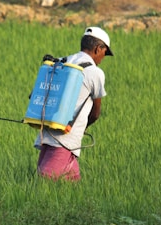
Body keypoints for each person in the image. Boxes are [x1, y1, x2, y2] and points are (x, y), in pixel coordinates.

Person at [34, 26, 113, 181]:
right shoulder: (95, 72)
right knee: (46, 179)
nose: (103, 58)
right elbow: (96, 113)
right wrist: (83, 128)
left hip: (48, 130)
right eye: (104, 53)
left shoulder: (63, 61)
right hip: (66, 138)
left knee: (69, 182)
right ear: (98, 48)